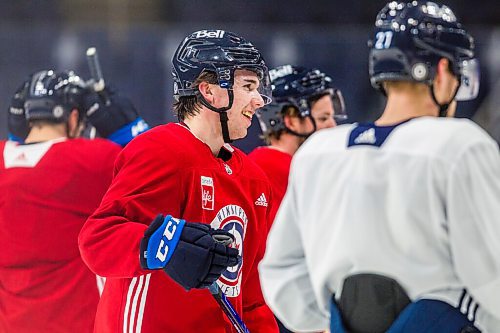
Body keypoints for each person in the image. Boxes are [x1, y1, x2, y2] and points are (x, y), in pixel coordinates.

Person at [259, 1, 500, 333]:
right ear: (443, 72)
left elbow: (280, 271)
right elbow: (491, 276)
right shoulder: (459, 146)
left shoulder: (318, 153)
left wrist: (331, 322)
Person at [78, 29, 279, 333]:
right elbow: (98, 238)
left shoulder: (254, 180)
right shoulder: (161, 150)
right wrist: (164, 244)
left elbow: (249, 297)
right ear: (209, 91)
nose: (258, 100)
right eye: (248, 86)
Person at [0, 69, 150, 332]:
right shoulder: (90, 160)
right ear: (73, 117)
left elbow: (24, 161)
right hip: (77, 324)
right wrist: (133, 129)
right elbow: (159, 172)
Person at [250, 64, 346, 220]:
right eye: (323, 118)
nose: (332, 126)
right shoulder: (293, 174)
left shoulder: (254, 166)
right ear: (291, 121)